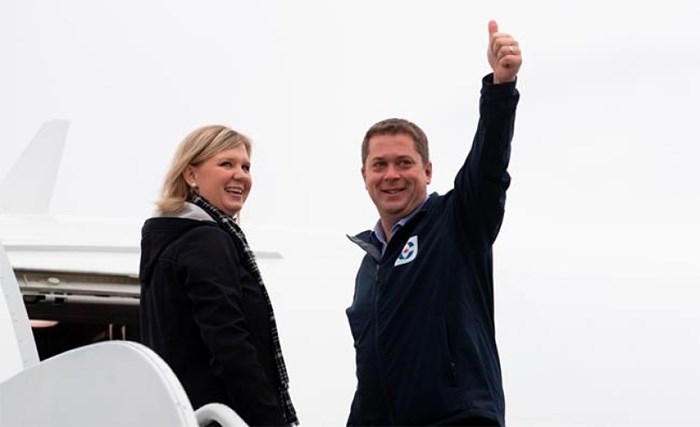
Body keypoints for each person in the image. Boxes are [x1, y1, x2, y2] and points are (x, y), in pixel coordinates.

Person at [345, 20, 522, 426]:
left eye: (404, 163)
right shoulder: (369, 267)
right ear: (365, 176)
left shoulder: (458, 221)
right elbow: (370, 376)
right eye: (380, 165)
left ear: (427, 171)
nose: (391, 174)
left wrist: (500, 88)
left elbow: (489, 164)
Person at [138, 125, 298, 426]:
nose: (241, 175)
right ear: (191, 175)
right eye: (226, 164)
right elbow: (229, 341)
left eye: (246, 166)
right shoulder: (205, 241)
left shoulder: (169, 242)